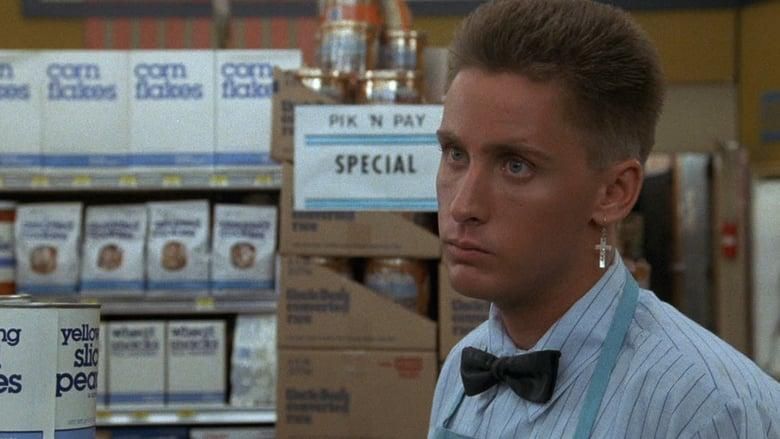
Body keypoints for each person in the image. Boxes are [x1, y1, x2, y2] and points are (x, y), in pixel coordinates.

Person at [429, 0, 780, 438]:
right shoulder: (460, 375)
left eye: (516, 166)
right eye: (455, 154)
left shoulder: (705, 407)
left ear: (614, 193)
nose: (463, 206)